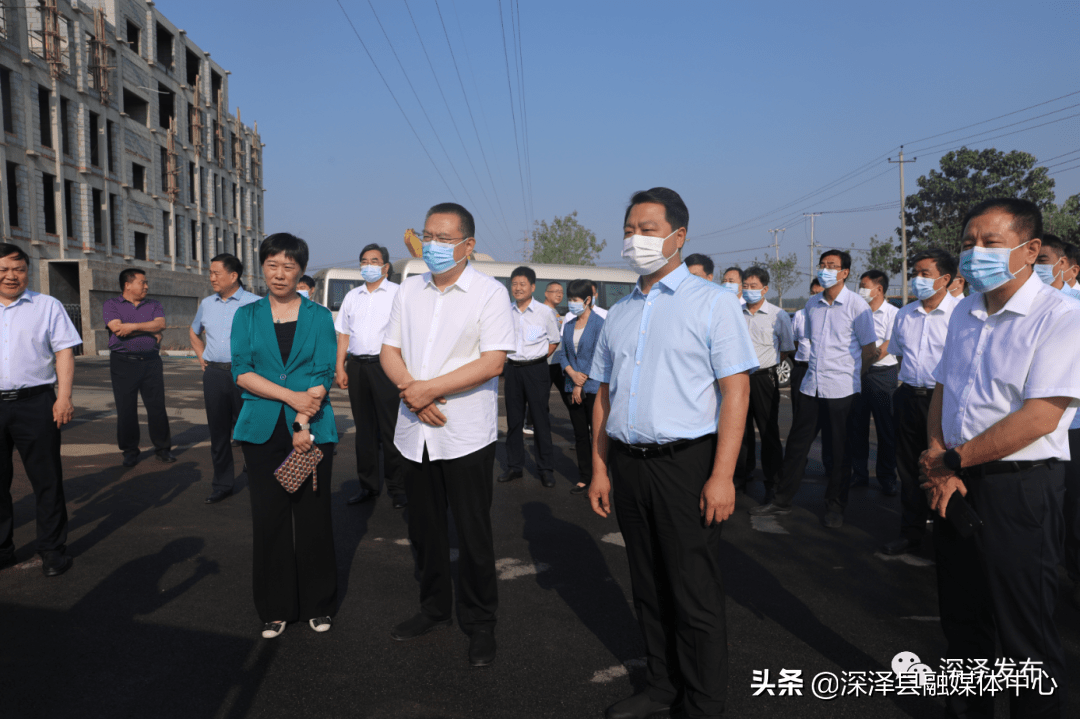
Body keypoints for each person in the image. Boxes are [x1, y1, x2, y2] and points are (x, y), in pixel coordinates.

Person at [589, 187, 757, 719]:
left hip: (688, 465)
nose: (635, 239)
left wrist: (723, 475)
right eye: (630, 229)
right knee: (647, 583)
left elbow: (736, 390)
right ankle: (661, 686)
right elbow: (604, 394)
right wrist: (598, 468)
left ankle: (704, 702)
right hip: (630, 467)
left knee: (694, 591)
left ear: (678, 237)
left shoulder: (713, 303)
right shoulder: (618, 313)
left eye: (648, 229)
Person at [922, 198, 1080, 718]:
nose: (974, 254)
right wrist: (939, 456)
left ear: (1030, 249)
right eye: (968, 244)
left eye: (990, 243)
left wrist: (954, 462)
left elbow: (1041, 415)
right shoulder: (966, 311)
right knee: (964, 621)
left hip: (1019, 487)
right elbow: (945, 388)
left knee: (1023, 635)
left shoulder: (1060, 316)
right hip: (957, 480)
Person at [382, 202, 516, 667]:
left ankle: (480, 624)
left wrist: (427, 391)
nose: (434, 246)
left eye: (444, 238)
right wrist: (411, 391)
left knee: (473, 534)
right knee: (425, 530)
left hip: (464, 435)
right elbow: (389, 349)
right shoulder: (409, 290)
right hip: (414, 433)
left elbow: (493, 361)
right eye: (428, 236)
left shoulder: (489, 294)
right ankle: (434, 608)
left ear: (467, 245)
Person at [231, 233, 339, 639]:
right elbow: (241, 370)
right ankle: (275, 607)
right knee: (270, 518)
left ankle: (318, 603)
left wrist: (302, 420)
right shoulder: (247, 316)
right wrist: (289, 396)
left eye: (288, 267)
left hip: (312, 427)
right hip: (261, 429)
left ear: (300, 271)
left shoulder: (319, 316)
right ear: (262, 267)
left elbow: (324, 372)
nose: (279, 274)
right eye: (272, 265)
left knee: (313, 518)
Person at [751, 250, 877, 528]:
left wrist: (852, 377)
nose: (826, 269)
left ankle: (835, 506)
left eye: (832, 266)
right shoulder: (811, 304)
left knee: (839, 450)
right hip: (811, 386)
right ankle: (781, 500)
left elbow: (870, 352)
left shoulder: (857, 306)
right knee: (797, 446)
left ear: (845, 272)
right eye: (823, 265)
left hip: (842, 390)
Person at [0, 244, 81, 578]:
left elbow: (64, 352)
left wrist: (63, 398)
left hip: (36, 403)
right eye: (4, 269)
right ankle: (3, 549)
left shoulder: (47, 305)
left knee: (47, 480)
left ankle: (51, 550)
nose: (11, 276)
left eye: (18, 269)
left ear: (27, 271)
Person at [878, 249, 959, 556]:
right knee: (910, 468)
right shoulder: (905, 314)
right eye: (915, 273)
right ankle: (910, 533)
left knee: (944, 467)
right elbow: (899, 354)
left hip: (943, 402)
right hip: (909, 396)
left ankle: (946, 537)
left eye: (925, 273)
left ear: (945, 279)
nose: (917, 279)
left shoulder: (960, 314)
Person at [335, 244, 407, 509]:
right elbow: (343, 333)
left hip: (387, 367)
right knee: (364, 430)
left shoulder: (400, 294)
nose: (368, 265)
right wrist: (340, 367)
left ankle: (398, 488)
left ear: (386, 267)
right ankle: (368, 485)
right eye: (364, 261)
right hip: (358, 367)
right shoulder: (352, 296)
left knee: (391, 429)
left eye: (374, 261)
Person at [189, 254, 261, 504]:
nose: (211, 278)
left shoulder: (256, 303)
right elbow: (194, 331)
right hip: (215, 375)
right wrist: (202, 358)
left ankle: (256, 476)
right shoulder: (207, 304)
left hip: (245, 375)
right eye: (210, 273)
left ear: (233, 276)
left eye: (216, 273)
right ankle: (222, 483)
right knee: (218, 431)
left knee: (249, 428)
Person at [734, 265, 794, 503]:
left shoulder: (778, 315)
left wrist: (767, 366)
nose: (748, 291)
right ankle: (740, 476)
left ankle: (773, 480)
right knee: (739, 430)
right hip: (738, 378)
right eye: (745, 286)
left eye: (753, 287)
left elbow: (787, 349)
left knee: (768, 431)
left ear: (765, 289)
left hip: (764, 378)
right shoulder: (735, 313)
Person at [103, 269, 173, 467]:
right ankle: (130, 451)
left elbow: (161, 324)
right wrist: (150, 330)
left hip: (151, 361)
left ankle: (163, 448)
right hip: (123, 362)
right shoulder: (111, 305)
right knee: (126, 408)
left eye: (146, 282)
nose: (146, 286)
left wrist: (132, 327)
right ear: (128, 285)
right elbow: (117, 328)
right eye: (142, 282)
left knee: (157, 407)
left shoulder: (154, 304)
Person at [498, 266, 561, 488]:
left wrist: (537, 359)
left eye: (522, 284)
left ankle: (545, 469)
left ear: (533, 287)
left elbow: (553, 341)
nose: (517, 288)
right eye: (514, 284)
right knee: (514, 421)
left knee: (540, 420)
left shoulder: (544, 313)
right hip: (513, 370)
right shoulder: (506, 311)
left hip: (536, 370)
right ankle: (515, 466)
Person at [849, 269, 899, 495]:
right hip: (858, 374)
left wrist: (865, 364)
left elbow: (887, 345)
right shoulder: (858, 312)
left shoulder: (893, 314)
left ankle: (887, 477)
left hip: (882, 375)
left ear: (878, 289)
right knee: (857, 427)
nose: (860, 290)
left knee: (885, 429)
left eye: (864, 285)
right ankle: (859, 475)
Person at [556, 279, 604, 495]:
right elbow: (563, 355)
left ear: (587, 299)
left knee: (597, 434)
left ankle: (599, 476)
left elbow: (599, 356)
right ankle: (584, 477)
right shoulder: (567, 326)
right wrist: (572, 374)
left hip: (592, 387)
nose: (572, 303)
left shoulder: (599, 324)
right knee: (580, 435)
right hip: (571, 384)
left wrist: (580, 382)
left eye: (575, 299)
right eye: (570, 299)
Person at [789, 278, 823, 419]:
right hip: (802, 368)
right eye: (812, 292)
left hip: (823, 370)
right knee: (799, 410)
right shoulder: (799, 315)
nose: (814, 296)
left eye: (818, 293)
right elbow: (794, 341)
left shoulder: (830, 315)